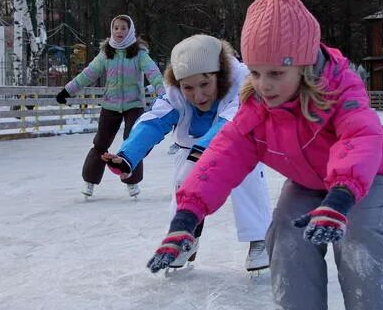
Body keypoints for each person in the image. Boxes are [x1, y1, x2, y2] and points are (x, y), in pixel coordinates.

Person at [146, 0, 383, 310]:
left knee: (357, 238)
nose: (264, 85)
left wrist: (339, 200)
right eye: (256, 72)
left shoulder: (342, 90)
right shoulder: (258, 108)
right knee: (284, 234)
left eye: (276, 74)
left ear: (303, 65)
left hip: (368, 175)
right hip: (310, 179)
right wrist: (186, 218)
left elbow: (360, 141)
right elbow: (222, 157)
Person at [102, 34, 272, 274]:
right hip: (191, 145)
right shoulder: (175, 91)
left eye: (205, 85)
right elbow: (154, 121)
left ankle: (260, 237)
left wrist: (202, 154)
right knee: (184, 185)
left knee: (247, 176)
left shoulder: (243, 83)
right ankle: (185, 237)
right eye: (188, 88)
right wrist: (127, 155)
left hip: (239, 142)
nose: (198, 96)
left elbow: (231, 123)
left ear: (220, 76)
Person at [56, 15, 163, 198]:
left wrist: (165, 95)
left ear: (130, 31)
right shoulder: (106, 53)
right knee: (100, 143)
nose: (119, 31)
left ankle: (131, 181)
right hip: (110, 105)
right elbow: (88, 74)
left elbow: (154, 74)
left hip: (134, 105)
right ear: (111, 31)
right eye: (116, 28)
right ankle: (89, 181)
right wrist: (67, 90)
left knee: (133, 142)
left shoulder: (139, 54)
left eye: (123, 28)